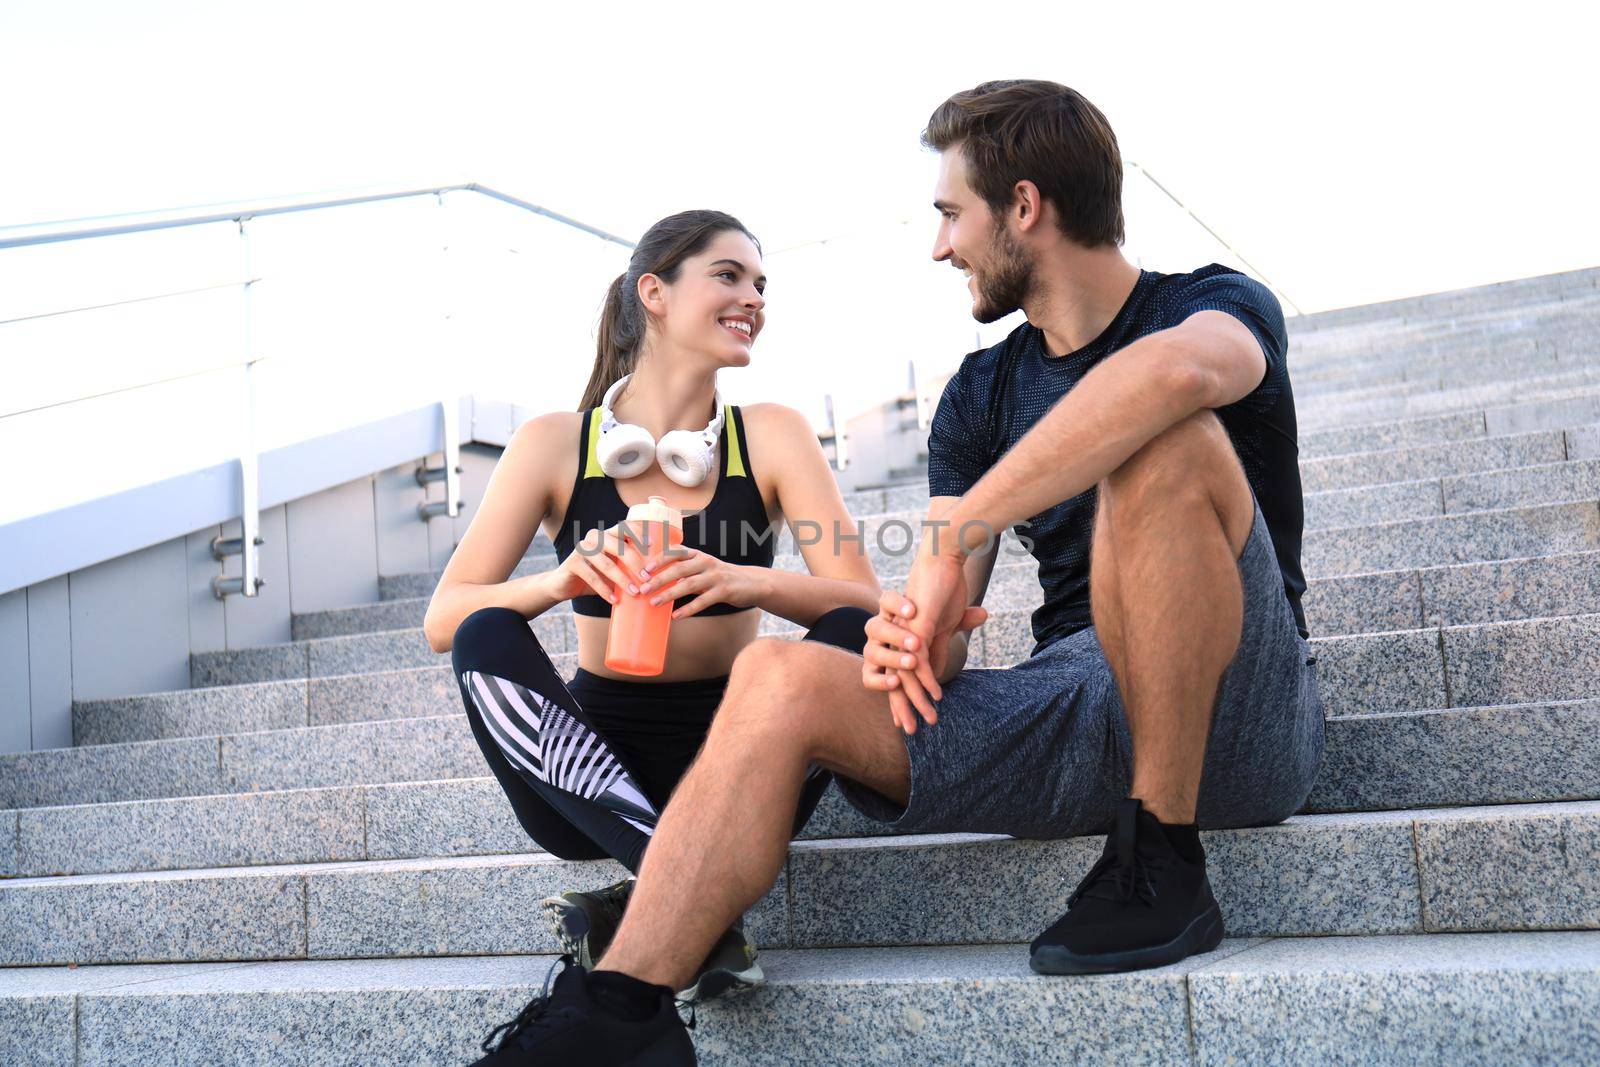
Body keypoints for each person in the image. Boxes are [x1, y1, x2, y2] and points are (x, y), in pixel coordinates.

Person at [470, 80, 1325, 1066]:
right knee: (777, 675)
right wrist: (912, 630)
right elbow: (943, 595)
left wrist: (983, 506)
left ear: (1023, 207)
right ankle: (618, 1013)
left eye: (949, 214)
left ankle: (1163, 856)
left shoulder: (1210, 303)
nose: (938, 246)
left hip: (1240, 709)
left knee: (1158, 440)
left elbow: (1176, 376)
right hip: (1071, 702)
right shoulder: (978, 391)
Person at [419, 210, 881, 1063]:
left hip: (748, 756)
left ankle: (646, 903)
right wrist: (560, 580)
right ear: (655, 293)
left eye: (761, 284)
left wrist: (747, 579)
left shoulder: (770, 434)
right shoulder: (556, 443)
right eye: (730, 276)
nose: (753, 298)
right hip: (590, 773)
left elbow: (866, 608)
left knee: (852, 633)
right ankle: (691, 900)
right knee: (489, 629)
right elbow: (444, 619)